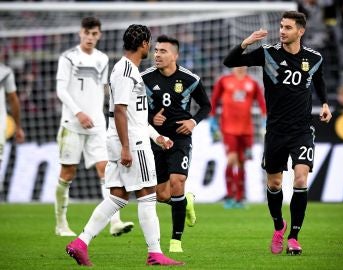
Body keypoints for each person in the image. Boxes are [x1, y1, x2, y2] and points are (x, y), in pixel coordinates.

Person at [65, 24, 184, 267]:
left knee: (118, 197)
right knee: (148, 195)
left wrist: (156, 136)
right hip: (131, 143)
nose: (150, 47)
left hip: (132, 138)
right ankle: (155, 252)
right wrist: (127, 147)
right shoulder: (124, 72)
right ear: (143, 44)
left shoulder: (129, 70)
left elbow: (134, 115)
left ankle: (80, 243)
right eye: (149, 43)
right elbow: (119, 111)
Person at [223, 11, 332, 255]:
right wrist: (246, 42)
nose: (282, 31)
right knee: (274, 184)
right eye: (281, 26)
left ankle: (294, 236)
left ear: (300, 31)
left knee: (301, 179)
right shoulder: (268, 54)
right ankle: (278, 225)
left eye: (288, 27)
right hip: (275, 131)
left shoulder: (313, 58)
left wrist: (324, 103)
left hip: (302, 130)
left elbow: (319, 79)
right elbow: (229, 62)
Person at [54, 17, 133, 237]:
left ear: (99, 35)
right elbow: (61, 90)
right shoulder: (68, 58)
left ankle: (114, 222)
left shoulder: (103, 59)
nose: (90, 37)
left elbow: (102, 89)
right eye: (87, 33)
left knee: (106, 169)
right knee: (67, 173)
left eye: (94, 33)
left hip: (97, 124)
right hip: (72, 123)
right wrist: (78, 112)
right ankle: (61, 224)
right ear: (80, 33)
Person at [141, 35, 211, 253]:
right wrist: (152, 118)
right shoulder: (144, 78)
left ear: (175, 55)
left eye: (163, 51)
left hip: (180, 138)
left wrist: (192, 121)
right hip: (156, 138)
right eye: (156, 51)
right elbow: (137, 109)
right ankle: (185, 202)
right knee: (162, 194)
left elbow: (206, 106)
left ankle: (175, 242)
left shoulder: (190, 79)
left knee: (177, 182)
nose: (157, 55)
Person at [209, 66, 267, 209]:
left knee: (242, 162)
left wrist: (265, 118)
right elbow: (214, 100)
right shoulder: (224, 81)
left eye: (242, 63)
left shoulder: (252, 83)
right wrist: (212, 119)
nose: (240, 66)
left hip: (247, 130)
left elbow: (261, 102)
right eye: (237, 63)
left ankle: (240, 198)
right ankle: (230, 195)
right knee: (231, 159)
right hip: (228, 129)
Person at [0, 63, 25, 169]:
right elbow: (13, 100)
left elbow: (13, 100)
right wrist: (18, 127)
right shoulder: (4, 71)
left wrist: (18, 127)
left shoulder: (5, 72)